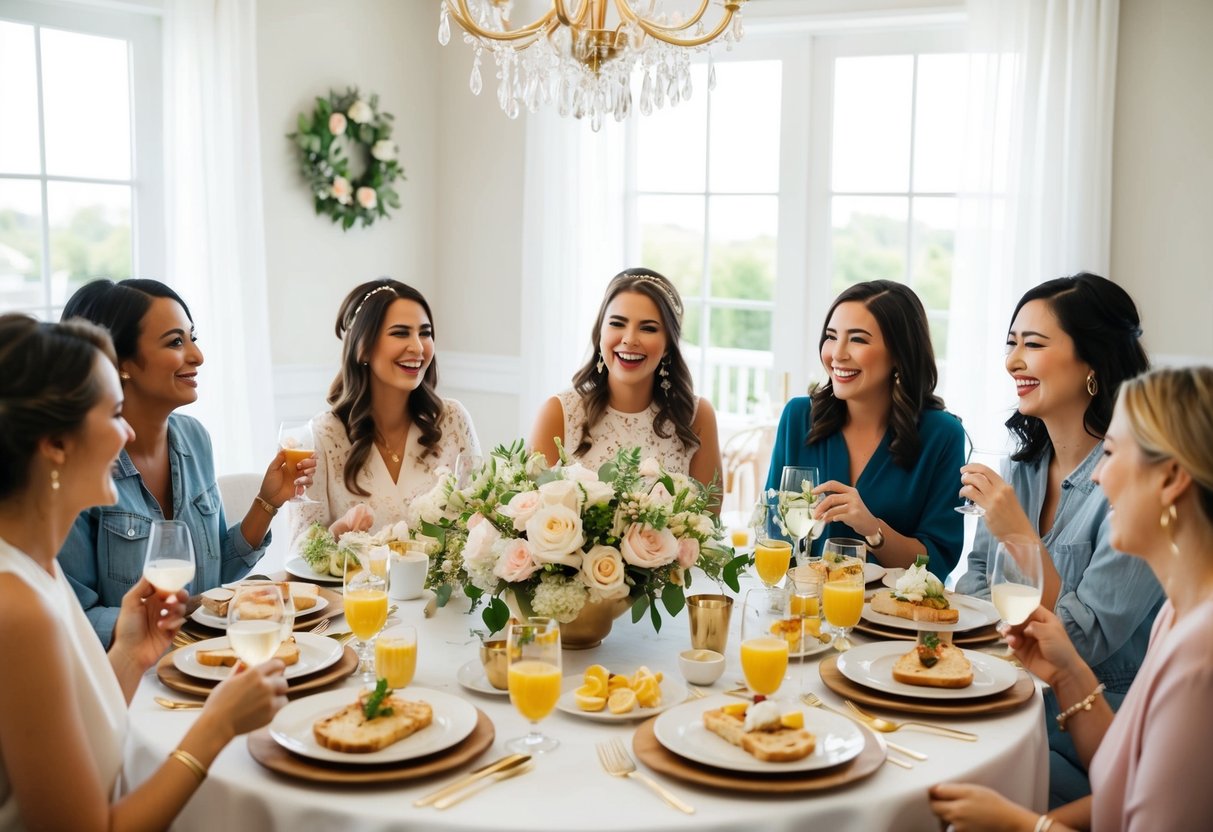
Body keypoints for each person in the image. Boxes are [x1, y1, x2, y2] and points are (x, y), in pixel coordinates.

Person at [0, 314, 287, 830]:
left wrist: (131, 654)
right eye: (113, 414)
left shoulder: (36, 569)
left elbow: (83, 736)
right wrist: (215, 726)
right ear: (56, 445)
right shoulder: (16, 609)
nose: (129, 431)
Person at [931, 366, 1213, 832]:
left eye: (1112, 453)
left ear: (1172, 479)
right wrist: (1067, 674)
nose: (1098, 477)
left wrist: (1026, 826)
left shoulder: (1201, 653)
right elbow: (1127, 781)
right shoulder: (1179, 616)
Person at [955, 273, 1162, 807]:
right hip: (1000, 693)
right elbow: (972, 588)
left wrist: (1019, 535)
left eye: (1033, 345)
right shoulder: (1021, 468)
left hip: (1086, 733)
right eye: (1011, 343)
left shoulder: (1133, 485)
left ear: (1092, 361)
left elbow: (1083, 642)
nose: (1012, 361)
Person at [58, 279, 307, 647]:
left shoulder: (194, 438)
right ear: (122, 364)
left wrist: (267, 503)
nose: (197, 356)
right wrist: (159, 623)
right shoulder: (79, 469)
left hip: (204, 661)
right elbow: (75, 618)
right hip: (132, 679)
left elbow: (211, 581)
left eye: (194, 337)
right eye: (176, 342)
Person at [764, 280, 964, 575]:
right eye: (831, 337)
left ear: (899, 353)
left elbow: (935, 563)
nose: (837, 354)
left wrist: (873, 529)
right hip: (804, 609)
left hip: (893, 618)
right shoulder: (798, 418)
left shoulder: (942, 435)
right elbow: (775, 531)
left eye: (857, 339)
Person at [290, 279, 480, 544]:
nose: (417, 347)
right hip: (356, 586)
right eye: (401, 333)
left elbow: (481, 522)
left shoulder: (453, 420)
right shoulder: (322, 437)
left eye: (424, 333)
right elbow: (300, 549)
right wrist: (340, 532)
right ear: (363, 347)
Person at [529, 268, 722, 492]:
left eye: (648, 328)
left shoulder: (697, 417)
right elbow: (532, 520)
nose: (629, 340)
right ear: (600, 334)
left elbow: (709, 522)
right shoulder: (558, 413)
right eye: (617, 324)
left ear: (668, 344)